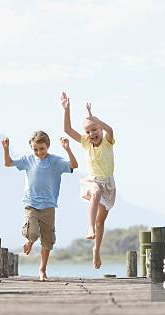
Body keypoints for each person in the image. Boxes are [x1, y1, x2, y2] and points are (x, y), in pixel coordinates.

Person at [2, 130, 78, 281]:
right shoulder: (28, 159)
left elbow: (74, 165)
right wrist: (6, 149)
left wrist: (68, 149)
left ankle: (42, 269)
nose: (38, 152)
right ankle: (30, 240)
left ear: (48, 146)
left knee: (48, 241)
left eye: (41, 149)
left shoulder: (56, 161)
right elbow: (8, 163)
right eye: (35, 149)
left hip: (49, 205)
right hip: (31, 204)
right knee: (33, 232)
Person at [61, 91, 116, 269]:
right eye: (88, 131)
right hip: (93, 181)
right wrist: (66, 109)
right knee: (96, 192)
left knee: (102, 221)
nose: (92, 133)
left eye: (94, 130)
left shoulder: (108, 141)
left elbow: (111, 130)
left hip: (108, 183)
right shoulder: (85, 142)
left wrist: (94, 118)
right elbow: (68, 130)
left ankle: (96, 249)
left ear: (100, 130)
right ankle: (89, 227)